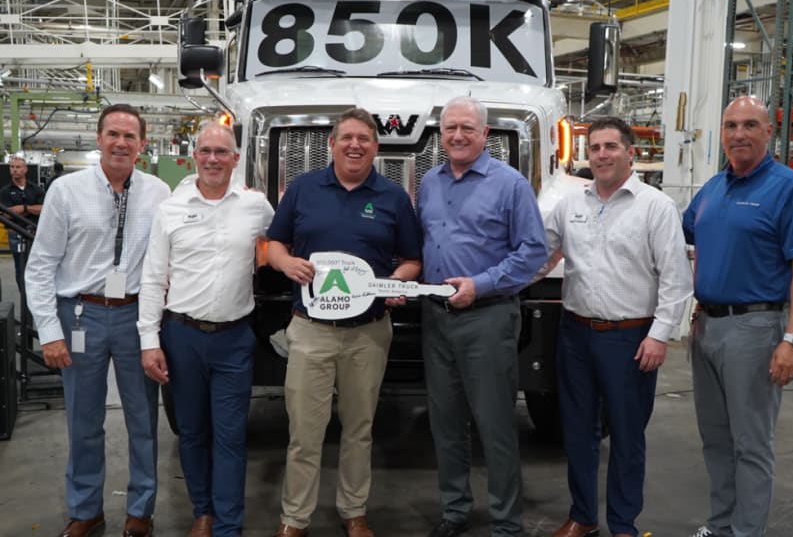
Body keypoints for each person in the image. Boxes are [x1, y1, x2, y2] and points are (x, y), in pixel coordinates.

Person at [266, 107, 423, 537]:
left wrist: (395, 283)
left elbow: (412, 260)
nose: (355, 145)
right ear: (332, 144)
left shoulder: (393, 197)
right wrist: (285, 263)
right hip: (311, 330)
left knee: (359, 428)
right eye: (347, 137)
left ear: (376, 146)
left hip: (368, 333)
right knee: (304, 432)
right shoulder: (302, 189)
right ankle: (294, 518)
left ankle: (354, 511)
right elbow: (274, 243)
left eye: (364, 139)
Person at [25, 104, 171, 537]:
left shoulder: (159, 192)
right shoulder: (66, 191)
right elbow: (40, 266)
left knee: (143, 419)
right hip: (82, 317)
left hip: (135, 318)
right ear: (98, 138)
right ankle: (86, 510)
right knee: (83, 419)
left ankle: (141, 511)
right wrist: (50, 332)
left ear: (142, 144)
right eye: (113, 134)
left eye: (129, 136)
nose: (121, 143)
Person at [543, 117, 693, 537]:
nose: (602, 155)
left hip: (630, 337)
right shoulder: (570, 205)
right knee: (577, 432)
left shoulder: (655, 206)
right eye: (594, 148)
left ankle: (623, 524)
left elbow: (676, 279)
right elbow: (541, 255)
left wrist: (659, 335)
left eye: (611, 146)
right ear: (586, 155)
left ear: (631, 152)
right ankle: (583, 515)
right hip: (575, 334)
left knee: (627, 437)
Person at [682, 96, 793, 537]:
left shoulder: (789, 188)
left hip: (756, 329)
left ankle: (746, 532)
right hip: (706, 327)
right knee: (716, 439)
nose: (738, 134)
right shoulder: (712, 189)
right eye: (730, 125)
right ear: (721, 133)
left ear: (768, 131)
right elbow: (679, 239)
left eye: (749, 125)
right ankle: (721, 526)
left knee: (751, 443)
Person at [417, 96, 549, 537]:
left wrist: (482, 284)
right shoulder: (430, 183)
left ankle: (506, 524)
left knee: (494, 426)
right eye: (450, 128)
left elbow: (532, 251)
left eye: (467, 129)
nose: (457, 136)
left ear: (485, 134)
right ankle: (454, 511)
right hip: (435, 319)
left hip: (487, 319)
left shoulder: (510, 184)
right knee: (446, 423)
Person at [138, 122, 274, 537]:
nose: (213, 159)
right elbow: (152, 276)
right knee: (193, 432)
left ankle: (228, 525)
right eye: (205, 151)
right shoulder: (171, 210)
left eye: (222, 152)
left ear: (236, 159)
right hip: (182, 337)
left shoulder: (257, 207)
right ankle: (203, 511)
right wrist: (149, 341)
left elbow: (281, 243)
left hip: (235, 339)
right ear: (193, 156)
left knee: (230, 437)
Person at [0, 153, 44, 293]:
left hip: (35, 235)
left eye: (18, 167)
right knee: (20, 268)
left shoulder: (36, 189)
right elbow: (7, 213)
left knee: (37, 267)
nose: (14, 170)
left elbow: (44, 209)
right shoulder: (5, 191)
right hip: (15, 235)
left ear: (25, 169)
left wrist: (23, 208)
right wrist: (32, 209)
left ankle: (36, 296)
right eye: (12, 167)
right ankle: (24, 297)